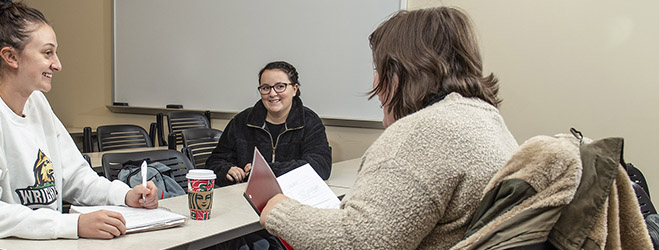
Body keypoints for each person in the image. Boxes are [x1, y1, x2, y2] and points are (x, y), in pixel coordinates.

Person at [258, 7, 519, 249]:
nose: (375, 83)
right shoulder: (486, 119)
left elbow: (362, 241)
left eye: (379, 68)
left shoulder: (420, 133)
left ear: (402, 71)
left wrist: (281, 212)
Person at [0, 0, 157, 240]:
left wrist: (124, 195)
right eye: (47, 53)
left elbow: (75, 176)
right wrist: (72, 225)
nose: (58, 64)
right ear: (11, 57)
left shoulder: (37, 103)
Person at [204, 61, 332, 187]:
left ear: (294, 89)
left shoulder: (309, 121)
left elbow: (320, 166)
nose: (272, 93)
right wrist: (225, 170)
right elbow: (214, 162)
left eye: (280, 86)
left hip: (292, 195)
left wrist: (264, 170)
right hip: (245, 196)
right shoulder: (241, 121)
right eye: (266, 88)